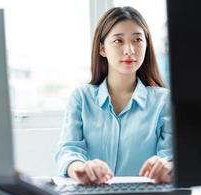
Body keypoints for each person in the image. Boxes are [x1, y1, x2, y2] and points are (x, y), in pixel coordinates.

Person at [56, 6, 172, 185]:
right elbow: (69, 151)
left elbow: (170, 156)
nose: (130, 50)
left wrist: (166, 166)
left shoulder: (163, 101)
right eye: (118, 41)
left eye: (137, 40)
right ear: (102, 48)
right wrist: (79, 167)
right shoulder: (81, 98)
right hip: (92, 194)